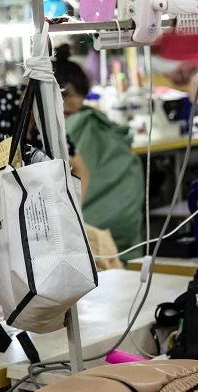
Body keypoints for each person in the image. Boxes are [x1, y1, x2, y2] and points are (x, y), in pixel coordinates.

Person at [52, 45, 146, 260]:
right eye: (66, 113)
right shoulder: (94, 123)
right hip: (126, 233)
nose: (69, 118)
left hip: (97, 227)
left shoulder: (78, 125)